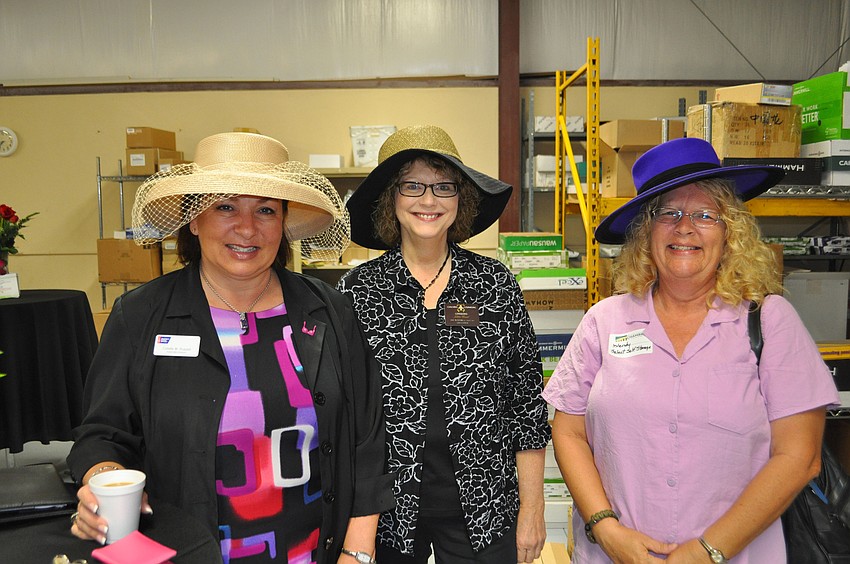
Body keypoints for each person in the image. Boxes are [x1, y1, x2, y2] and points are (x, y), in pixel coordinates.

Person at [67, 132, 394, 564]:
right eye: (225, 206)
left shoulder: (327, 310)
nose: (246, 227)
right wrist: (102, 480)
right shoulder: (141, 315)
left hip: (313, 552)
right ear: (194, 219)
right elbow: (104, 433)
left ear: (283, 224)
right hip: (183, 551)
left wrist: (358, 549)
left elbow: (366, 438)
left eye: (265, 210)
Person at [543, 137, 841, 563]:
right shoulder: (603, 321)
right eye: (670, 214)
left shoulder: (770, 323)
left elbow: (800, 456)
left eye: (706, 215)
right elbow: (568, 432)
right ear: (646, 232)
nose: (685, 227)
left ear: (730, 231)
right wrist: (605, 528)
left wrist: (710, 549)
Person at [337, 125, 551, 564]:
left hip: (485, 506)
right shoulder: (358, 292)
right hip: (388, 512)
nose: (429, 200)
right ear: (390, 198)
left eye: (444, 186)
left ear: (462, 198)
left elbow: (526, 407)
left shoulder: (495, 286)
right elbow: (344, 412)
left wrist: (532, 509)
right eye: (412, 185)